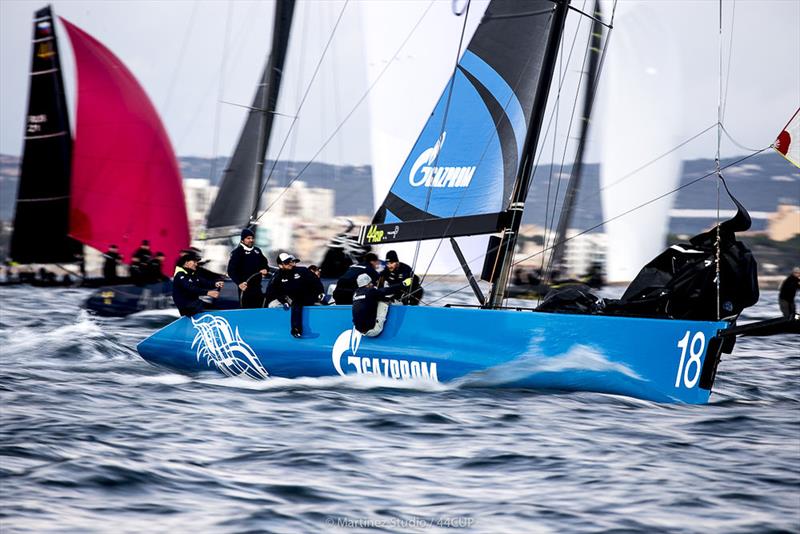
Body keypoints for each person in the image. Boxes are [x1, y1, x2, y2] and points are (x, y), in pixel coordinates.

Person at [264, 253, 321, 338]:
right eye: (286, 263)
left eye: (290, 261)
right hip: (291, 299)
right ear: (280, 265)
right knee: (296, 302)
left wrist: (321, 293)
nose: (290, 264)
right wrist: (283, 301)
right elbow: (274, 291)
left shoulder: (302, 270)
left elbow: (316, 281)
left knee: (316, 303)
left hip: (306, 296)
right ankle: (296, 329)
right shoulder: (277, 276)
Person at [227, 228, 270, 308]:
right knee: (246, 309)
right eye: (248, 238)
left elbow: (264, 263)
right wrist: (239, 283)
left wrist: (265, 269)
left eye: (252, 238)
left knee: (261, 308)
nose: (251, 240)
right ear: (243, 240)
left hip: (257, 287)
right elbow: (231, 271)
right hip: (245, 288)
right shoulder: (237, 252)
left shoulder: (257, 251)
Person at [172, 250, 224, 316]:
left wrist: (215, 284)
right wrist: (208, 293)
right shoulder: (180, 275)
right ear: (186, 263)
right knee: (214, 311)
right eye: (194, 262)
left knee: (216, 308)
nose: (196, 264)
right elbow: (190, 287)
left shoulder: (192, 274)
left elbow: (204, 282)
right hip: (186, 307)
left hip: (194, 304)